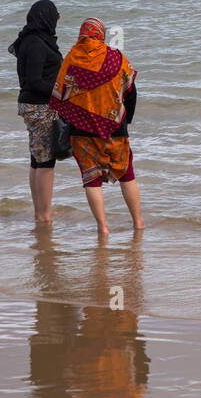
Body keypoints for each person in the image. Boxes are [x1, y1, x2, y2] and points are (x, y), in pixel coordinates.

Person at [49, 18, 143, 235]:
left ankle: (103, 228)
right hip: (115, 126)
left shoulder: (72, 58)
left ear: (82, 33)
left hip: (81, 130)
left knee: (92, 180)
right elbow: (131, 90)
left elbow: (61, 96)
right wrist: (126, 120)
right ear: (100, 34)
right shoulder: (116, 57)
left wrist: (77, 114)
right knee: (127, 174)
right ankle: (138, 223)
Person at [9, 0, 63, 224]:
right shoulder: (38, 44)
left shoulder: (31, 40)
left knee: (36, 159)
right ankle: (44, 215)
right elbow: (33, 81)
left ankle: (39, 210)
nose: (56, 21)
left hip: (32, 106)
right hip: (40, 107)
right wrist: (59, 94)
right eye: (55, 16)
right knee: (46, 162)